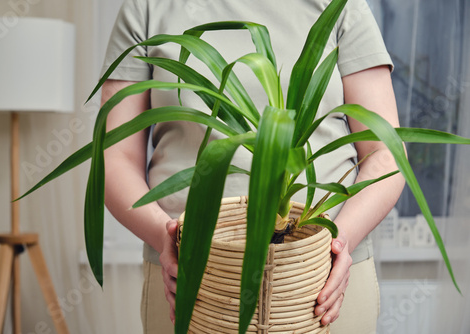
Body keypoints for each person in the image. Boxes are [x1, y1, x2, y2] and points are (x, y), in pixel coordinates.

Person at [101, 0, 405, 333]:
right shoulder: (146, 6)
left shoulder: (340, 5)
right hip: (191, 274)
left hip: (324, 278)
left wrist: (337, 242)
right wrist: (166, 238)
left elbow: (385, 153)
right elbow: (116, 159)